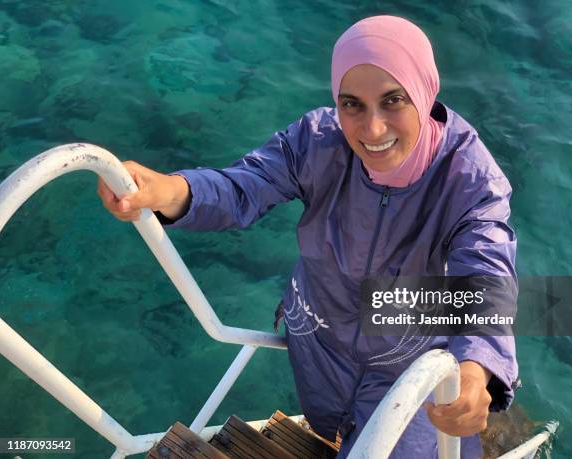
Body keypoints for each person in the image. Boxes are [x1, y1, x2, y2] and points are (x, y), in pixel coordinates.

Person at [98, 16, 519, 458]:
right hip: (318, 337)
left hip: (408, 362)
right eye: (352, 104)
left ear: (424, 92)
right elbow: (245, 186)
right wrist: (169, 190)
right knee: (330, 428)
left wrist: (475, 371)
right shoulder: (318, 140)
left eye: (393, 100)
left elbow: (487, 276)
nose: (372, 129)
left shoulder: (471, 180)